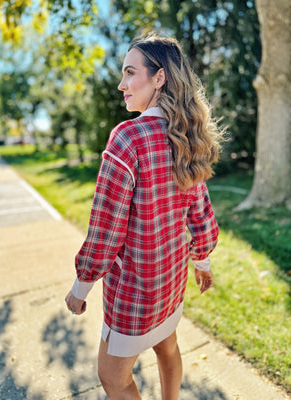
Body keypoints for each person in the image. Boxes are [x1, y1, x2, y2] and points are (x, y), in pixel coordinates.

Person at [65, 33, 223, 400]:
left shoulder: (128, 138)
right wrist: (202, 260)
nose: (121, 84)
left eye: (129, 72)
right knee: (167, 347)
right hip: (170, 281)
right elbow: (199, 208)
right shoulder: (185, 134)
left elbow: (106, 229)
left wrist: (81, 286)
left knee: (111, 376)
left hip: (135, 292)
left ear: (159, 78)